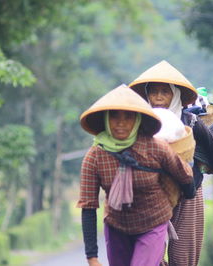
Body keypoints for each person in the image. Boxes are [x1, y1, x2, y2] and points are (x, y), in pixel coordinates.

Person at [77, 84, 196, 266]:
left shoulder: (154, 147)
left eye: (128, 117)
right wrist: (92, 257)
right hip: (117, 226)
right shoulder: (95, 156)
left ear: (138, 120)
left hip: (153, 223)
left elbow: (185, 176)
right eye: (115, 116)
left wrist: (184, 194)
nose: (122, 123)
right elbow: (88, 206)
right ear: (106, 120)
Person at [129, 60, 213, 266]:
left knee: (183, 259)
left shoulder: (191, 121)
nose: (159, 97)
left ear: (176, 95)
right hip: (150, 195)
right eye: (153, 92)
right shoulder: (139, 123)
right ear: (147, 96)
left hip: (188, 193)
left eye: (165, 92)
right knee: (148, 258)